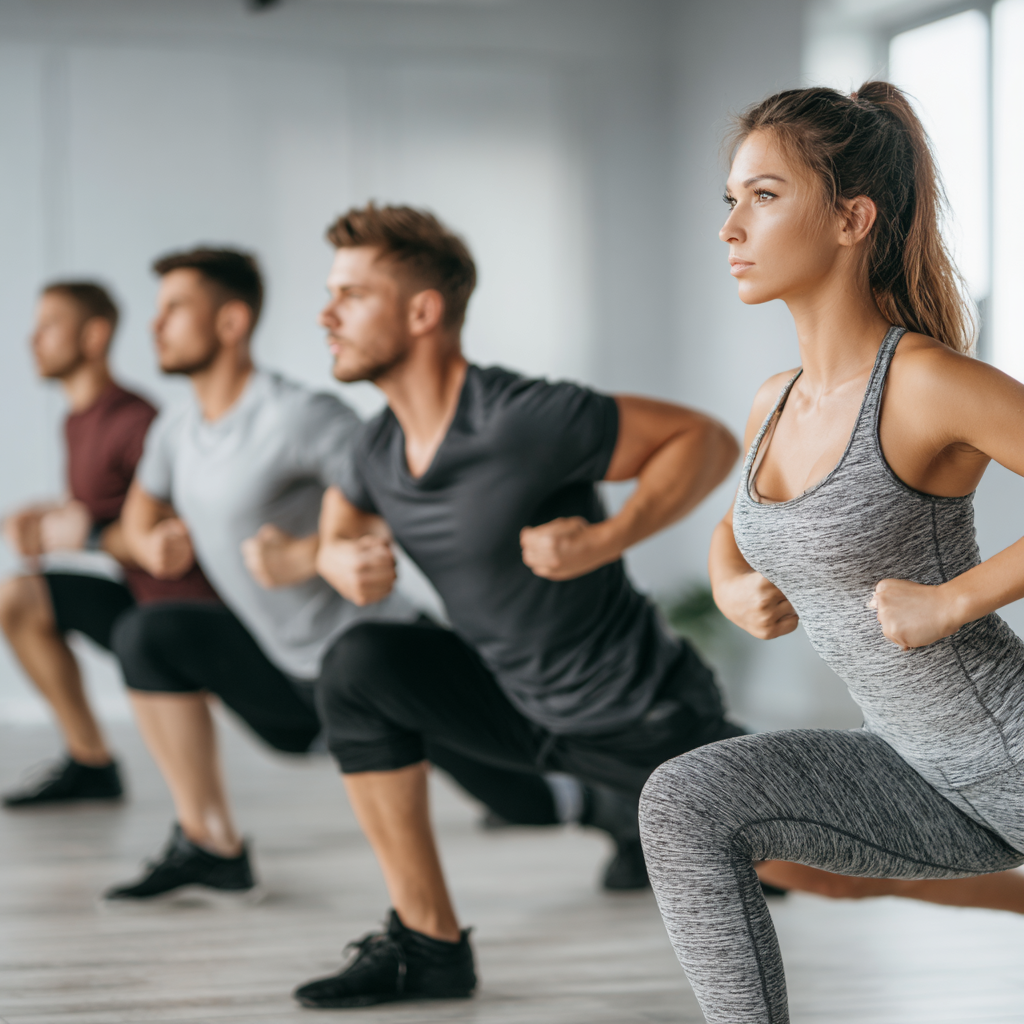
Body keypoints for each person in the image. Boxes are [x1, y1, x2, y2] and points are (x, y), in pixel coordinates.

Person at [284, 202, 970, 1010]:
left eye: (350, 294)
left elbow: (703, 441)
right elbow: (339, 525)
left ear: (422, 312)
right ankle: (429, 946)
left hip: (636, 714)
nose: (326, 313)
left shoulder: (521, 416)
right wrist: (338, 558)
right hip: (514, 708)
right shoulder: (376, 447)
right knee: (360, 667)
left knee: (831, 877)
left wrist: (604, 541)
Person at [640, 82, 1024, 1024]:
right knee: (685, 801)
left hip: (1010, 756)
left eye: (764, 196)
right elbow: (739, 524)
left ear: (853, 218)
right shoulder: (774, 400)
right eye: (729, 198)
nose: (732, 226)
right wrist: (731, 582)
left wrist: (958, 600)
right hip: (912, 770)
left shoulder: (928, 381)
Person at [107, 246, 586, 903]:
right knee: (148, 635)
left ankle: (625, 819)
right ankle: (211, 843)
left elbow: (401, 504)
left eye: (175, 309)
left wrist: (300, 558)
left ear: (231, 322)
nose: (155, 325)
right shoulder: (175, 430)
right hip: (283, 672)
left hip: (378, 661)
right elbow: (136, 521)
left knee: (535, 801)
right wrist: (150, 541)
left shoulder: (300, 416)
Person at [0, 281, 217, 808]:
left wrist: (89, 535)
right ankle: (90, 761)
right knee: (18, 597)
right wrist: (51, 513)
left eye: (49, 325)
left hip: (183, 608)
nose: (34, 339)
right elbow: (109, 501)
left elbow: (173, 532)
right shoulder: (78, 421)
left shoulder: (135, 420)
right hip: (134, 594)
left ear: (94, 335)